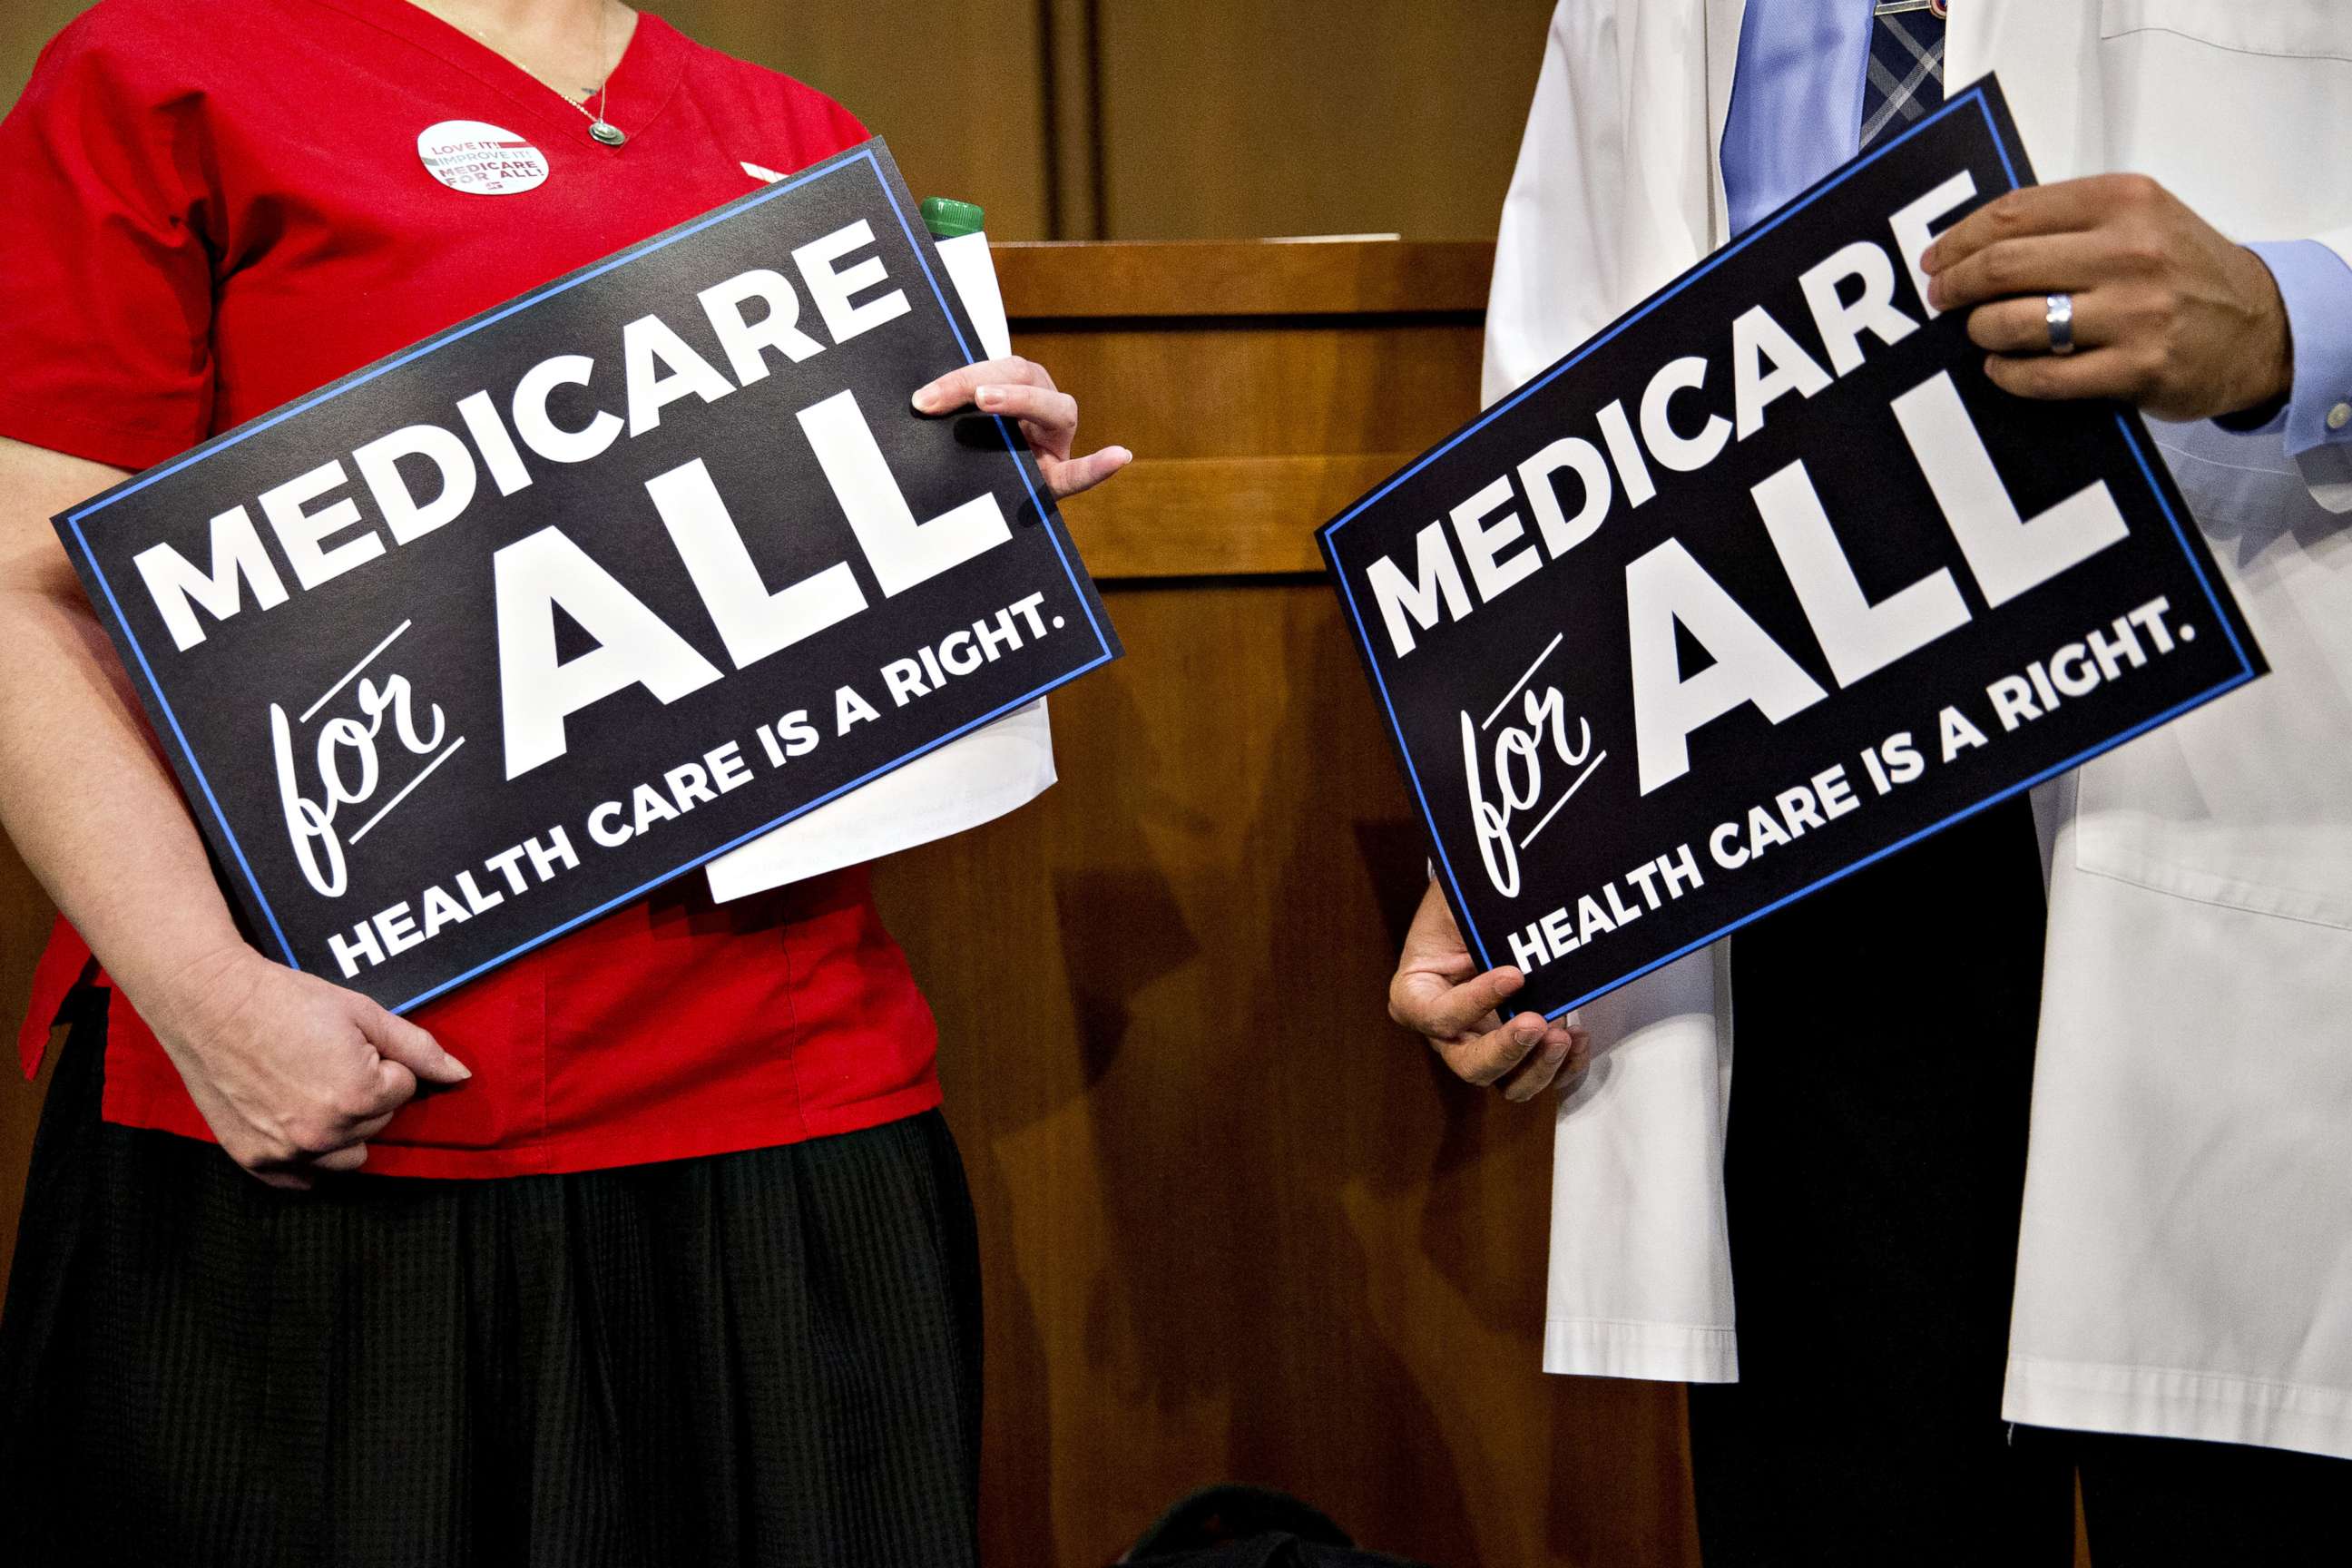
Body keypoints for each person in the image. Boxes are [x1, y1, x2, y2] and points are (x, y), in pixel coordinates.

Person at [0, 2, 1127, 1563]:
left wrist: (971, 512)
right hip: (327, 1091)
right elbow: (21, 588)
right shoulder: (161, 69)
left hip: (786, 1095)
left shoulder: (798, 135)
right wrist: (203, 994)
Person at [1391, 0, 2352, 1562]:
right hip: (1808, 875)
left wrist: (2298, 320)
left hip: (2238, 800)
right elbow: (1574, 392)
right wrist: (1522, 844)